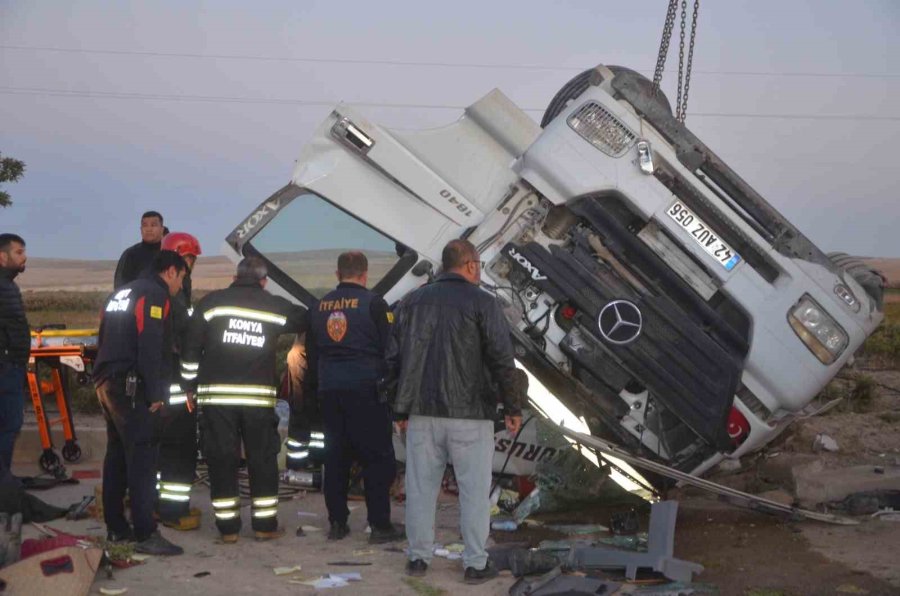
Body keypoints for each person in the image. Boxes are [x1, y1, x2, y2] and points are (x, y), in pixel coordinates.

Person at [384, 239, 524, 584]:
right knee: (474, 493)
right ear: (471, 265)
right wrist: (512, 406)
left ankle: (418, 558)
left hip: (422, 414)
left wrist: (398, 409)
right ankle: (475, 564)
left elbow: (393, 360)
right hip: (471, 416)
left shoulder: (411, 302)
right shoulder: (484, 302)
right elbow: (502, 359)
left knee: (420, 489)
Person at [181, 257, 306, 543]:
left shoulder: (211, 303)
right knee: (262, 460)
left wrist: (188, 386)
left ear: (234, 278)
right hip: (257, 400)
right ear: (264, 281)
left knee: (221, 459)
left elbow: (191, 348)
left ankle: (228, 530)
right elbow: (304, 317)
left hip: (216, 399)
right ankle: (264, 526)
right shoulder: (273, 305)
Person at [93, 250, 187, 556]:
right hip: (132, 387)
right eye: (181, 278)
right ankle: (146, 533)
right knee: (143, 459)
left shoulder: (120, 293)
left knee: (117, 455)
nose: (180, 286)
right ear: (170, 271)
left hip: (107, 381)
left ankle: (117, 528)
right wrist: (156, 393)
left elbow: (103, 336)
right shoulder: (155, 295)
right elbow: (150, 344)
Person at [304, 251, 403, 543]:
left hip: (330, 392)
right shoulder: (374, 304)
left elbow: (312, 355)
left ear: (338, 274)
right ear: (365, 274)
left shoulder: (318, 307)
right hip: (366, 392)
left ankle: (337, 523)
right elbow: (391, 350)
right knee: (376, 458)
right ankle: (379, 525)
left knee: (336, 459)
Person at [156, 232, 203, 531]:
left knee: (161, 450)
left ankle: (155, 503)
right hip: (175, 387)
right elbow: (182, 339)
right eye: (188, 259)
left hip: (164, 386)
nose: (191, 265)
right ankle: (173, 510)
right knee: (179, 449)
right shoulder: (170, 296)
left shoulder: (174, 290)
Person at [0, 234, 29, 473]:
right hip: (6, 368)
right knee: (9, 425)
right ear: (2, 257)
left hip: (13, 366)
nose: (24, 257)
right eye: (18, 252)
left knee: (10, 426)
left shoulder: (8, 285)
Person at [113, 211, 165, 289]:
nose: (149, 229)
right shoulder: (130, 254)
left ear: (162, 229)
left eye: (153, 225)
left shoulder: (169, 253)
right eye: (145, 225)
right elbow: (120, 285)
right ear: (141, 229)